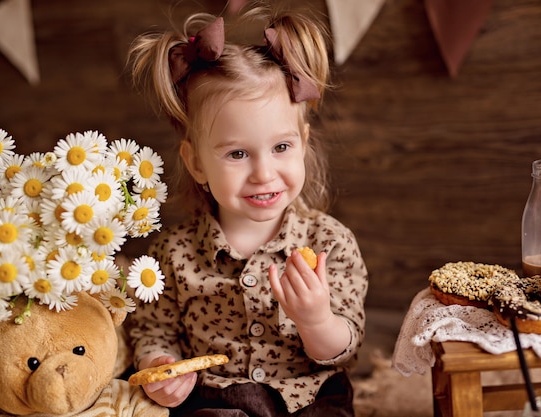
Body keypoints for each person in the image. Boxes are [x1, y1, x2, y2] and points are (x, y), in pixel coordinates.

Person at [125, 5, 368, 416]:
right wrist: (159, 366)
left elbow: (343, 350)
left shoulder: (329, 242)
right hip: (216, 402)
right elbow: (153, 330)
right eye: (238, 153)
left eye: (281, 148)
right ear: (196, 162)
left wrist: (316, 320)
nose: (263, 173)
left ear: (303, 143)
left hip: (307, 397)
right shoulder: (172, 254)